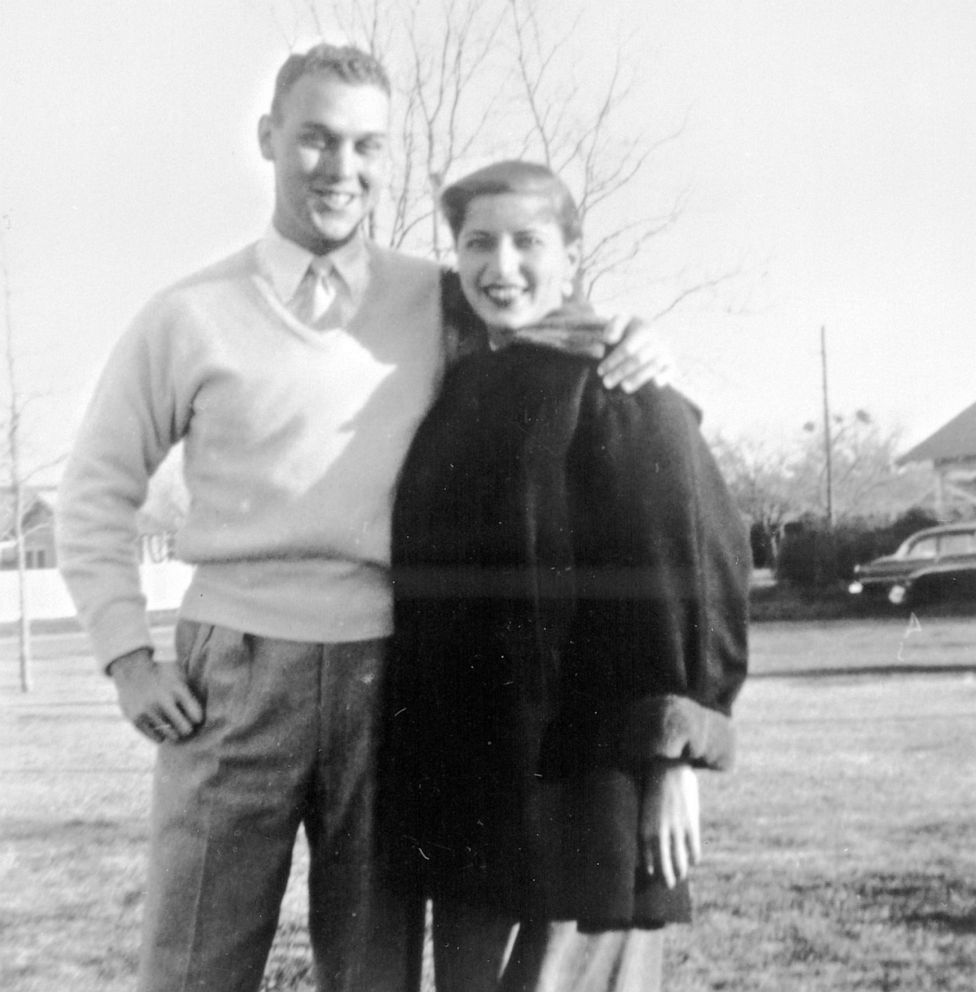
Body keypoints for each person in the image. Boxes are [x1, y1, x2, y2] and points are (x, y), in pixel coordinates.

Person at [55, 45, 670, 992]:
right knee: (193, 963)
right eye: (315, 140)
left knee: (373, 968)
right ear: (269, 140)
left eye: (366, 146)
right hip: (235, 671)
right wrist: (127, 657)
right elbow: (95, 490)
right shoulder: (188, 315)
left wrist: (631, 336)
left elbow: (549, 325)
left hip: (395, 671)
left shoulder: (440, 295)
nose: (341, 169)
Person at [380, 160, 750, 992]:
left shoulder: (620, 385)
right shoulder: (461, 382)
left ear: (573, 256)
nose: (500, 267)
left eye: (527, 242)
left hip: (591, 784)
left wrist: (675, 760)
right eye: (478, 242)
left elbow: (691, 570)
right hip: (471, 779)